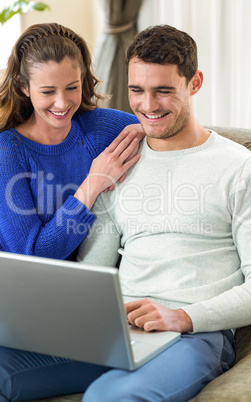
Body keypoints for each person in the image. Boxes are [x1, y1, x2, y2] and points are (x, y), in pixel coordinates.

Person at [76, 25, 251, 401]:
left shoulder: (243, 170)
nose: (148, 105)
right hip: (115, 329)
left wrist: (182, 317)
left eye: (163, 91)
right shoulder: (119, 163)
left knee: (108, 398)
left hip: (192, 336)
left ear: (194, 83)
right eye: (137, 90)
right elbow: (92, 272)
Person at [0, 22, 143, 401]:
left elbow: (169, 131)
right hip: (18, 303)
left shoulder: (100, 128)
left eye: (72, 87)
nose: (62, 104)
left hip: (71, 310)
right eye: (47, 91)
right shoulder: (8, 150)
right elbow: (33, 254)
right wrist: (92, 183)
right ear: (23, 88)